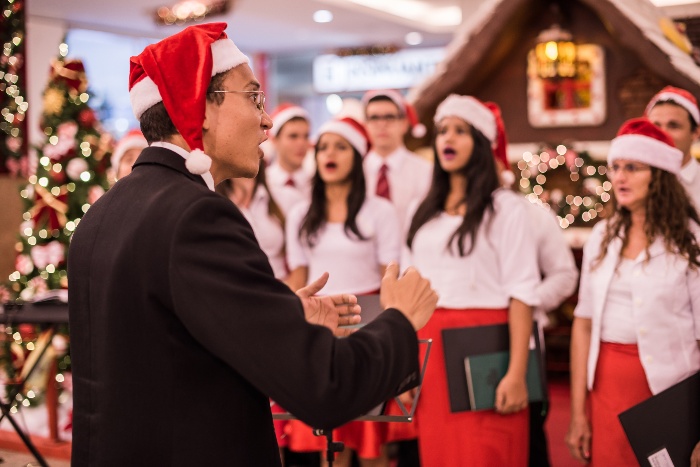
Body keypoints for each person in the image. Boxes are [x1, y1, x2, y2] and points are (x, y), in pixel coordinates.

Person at [67, 22, 438, 466]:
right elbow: (326, 387)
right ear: (199, 108)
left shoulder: (103, 212)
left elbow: (163, 350)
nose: (267, 121)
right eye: (254, 97)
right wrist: (399, 320)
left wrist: (277, 317)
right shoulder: (197, 215)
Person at [403, 94, 541, 466]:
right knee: (439, 454)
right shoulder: (424, 210)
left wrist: (516, 373)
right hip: (428, 348)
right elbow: (407, 291)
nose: (448, 138)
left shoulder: (505, 208)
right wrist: (402, 371)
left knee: (489, 452)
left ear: (480, 142)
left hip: (486, 346)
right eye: (442, 130)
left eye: (460, 131)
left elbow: (523, 294)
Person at [566, 118, 700, 466]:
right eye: (615, 167)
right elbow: (583, 324)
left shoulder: (690, 240)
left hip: (671, 390)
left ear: (658, 174)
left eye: (633, 167)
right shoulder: (601, 236)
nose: (620, 177)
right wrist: (578, 412)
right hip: (607, 386)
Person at [285, 117, 400, 467]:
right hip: (319, 332)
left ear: (357, 155)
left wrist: (395, 342)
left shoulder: (380, 211)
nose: (329, 154)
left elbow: (390, 282)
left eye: (340, 146)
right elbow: (297, 279)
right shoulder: (300, 214)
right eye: (322, 147)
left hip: (368, 329)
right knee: (328, 448)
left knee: (370, 446)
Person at [491, 109, 579, 467]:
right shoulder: (445, 217)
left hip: (524, 338)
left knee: (527, 433)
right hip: (462, 339)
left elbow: (564, 275)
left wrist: (525, 303)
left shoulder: (531, 215)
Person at [362, 89, 432, 231]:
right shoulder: (355, 172)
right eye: (374, 118)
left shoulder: (425, 171)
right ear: (365, 124)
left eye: (389, 117)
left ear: (404, 123)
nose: (382, 124)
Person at [216, 159, 288, 281]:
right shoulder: (216, 202)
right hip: (236, 287)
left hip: (279, 286)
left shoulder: (282, 197)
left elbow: (299, 259)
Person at [646, 86, 700, 209]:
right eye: (656, 126)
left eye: (673, 126)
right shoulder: (635, 184)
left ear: (696, 133)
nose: (663, 133)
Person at [266, 103, 313, 215]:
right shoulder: (265, 184)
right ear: (275, 140)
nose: (302, 143)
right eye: (293, 136)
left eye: (306, 136)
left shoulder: (316, 184)